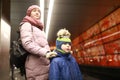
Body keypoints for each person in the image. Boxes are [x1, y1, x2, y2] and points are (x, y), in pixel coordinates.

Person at [20, 5, 57, 80]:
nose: (37, 13)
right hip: (35, 66)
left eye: (39, 11)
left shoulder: (39, 28)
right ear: (29, 14)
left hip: (44, 65)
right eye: (34, 11)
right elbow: (27, 44)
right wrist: (45, 52)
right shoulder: (26, 24)